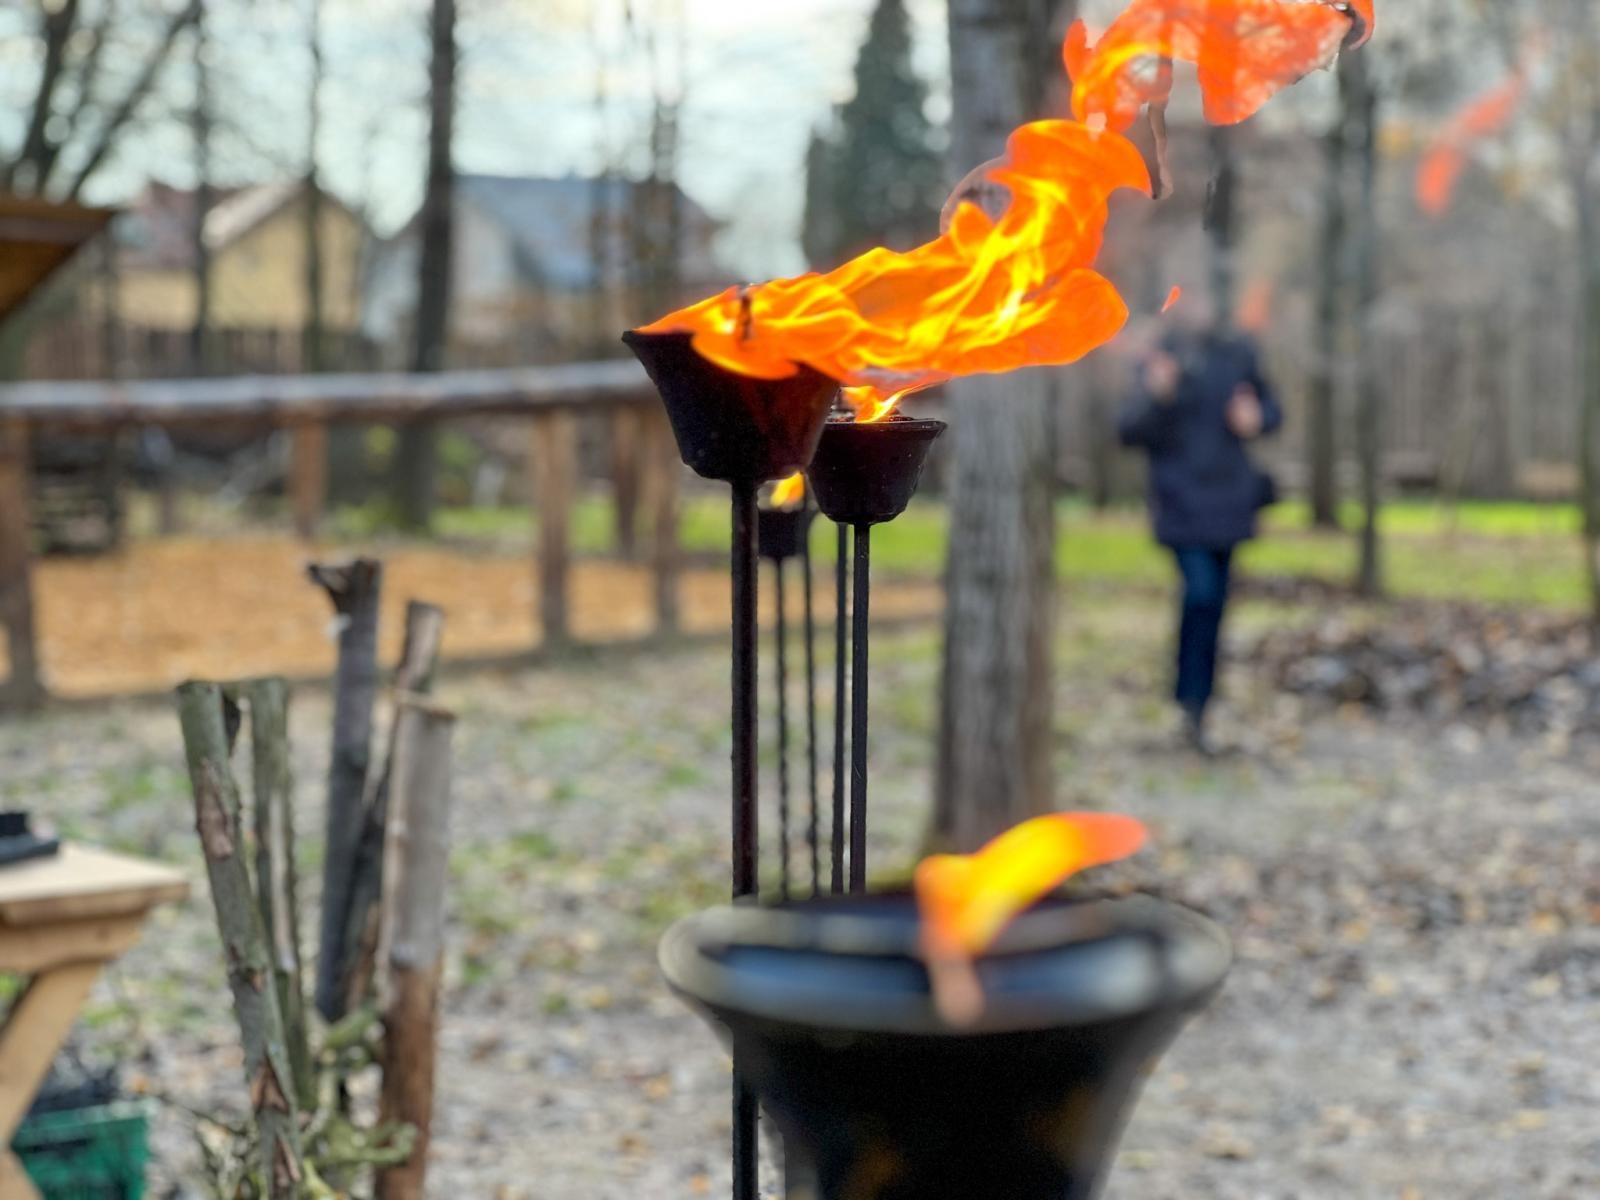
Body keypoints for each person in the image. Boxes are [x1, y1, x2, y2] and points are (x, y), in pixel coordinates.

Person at [1118, 323, 1282, 752]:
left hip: (1230, 504)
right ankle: (1189, 700)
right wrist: (1158, 395)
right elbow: (1128, 429)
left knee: (1215, 605)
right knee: (1201, 594)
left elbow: (1272, 412)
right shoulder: (1161, 351)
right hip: (1181, 506)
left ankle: (1199, 705)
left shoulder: (1237, 351)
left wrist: (1256, 418)